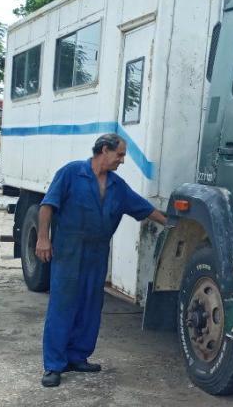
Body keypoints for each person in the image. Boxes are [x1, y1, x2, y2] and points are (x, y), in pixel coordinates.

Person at [35, 133, 168, 387]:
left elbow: (144, 208)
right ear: (104, 150)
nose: (122, 160)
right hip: (69, 250)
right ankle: (53, 365)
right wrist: (43, 238)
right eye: (119, 155)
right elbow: (47, 205)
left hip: (97, 253)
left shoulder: (117, 186)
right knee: (63, 306)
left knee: (90, 305)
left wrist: (171, 224)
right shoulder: (72, 173)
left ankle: (78, 357)